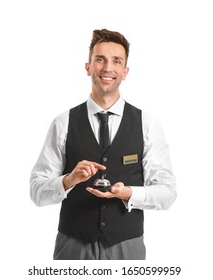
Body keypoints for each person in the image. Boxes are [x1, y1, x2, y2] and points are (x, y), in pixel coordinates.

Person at [30, 28, 177, 260]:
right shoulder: (63, 123)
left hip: (127, 245)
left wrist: (128, 193)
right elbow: (36, 192)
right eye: (100, 59)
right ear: (88, 67)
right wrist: (68, 180)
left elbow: (167, 193)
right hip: (73, 246)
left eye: (116, 61)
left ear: (125, 71)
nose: (108, 68)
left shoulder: (147, 124)